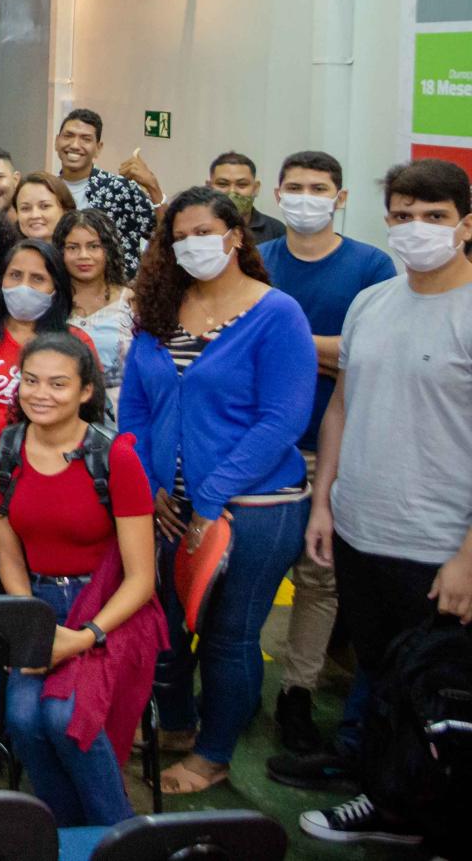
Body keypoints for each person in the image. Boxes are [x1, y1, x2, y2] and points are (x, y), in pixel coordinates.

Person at [288, 160, 472, 845]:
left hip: (440, 545)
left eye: (434, 216)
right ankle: (386, 802)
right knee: (385, 679)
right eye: (402, 215)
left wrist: (466, 555)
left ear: (465, 224)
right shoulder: (373, 302)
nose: (416, 228)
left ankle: (439, 822)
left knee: (441, 696)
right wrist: (326, 503)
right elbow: (341, 404)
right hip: (364, 527)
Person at [118, 186, 315, 796]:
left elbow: (283, 419)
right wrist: (148, 485)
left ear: (234, 235)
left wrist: (212, 494)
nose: (190, 245)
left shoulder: (276, 312)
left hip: (253, 509)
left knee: (230, 636)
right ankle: (175, 727)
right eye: (178, 236)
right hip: (169, 509)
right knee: (165, 628)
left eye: (203, 232)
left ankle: (214, 754)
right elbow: (136, 409)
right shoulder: (161, 306)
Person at [0, 335, 162, 828]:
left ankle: (117, 832)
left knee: (66, 718)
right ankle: (63, 832)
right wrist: (31, 626)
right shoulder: (1, 452)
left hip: (107, 605)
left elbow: (141, 578)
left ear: (86, 392)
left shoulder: (115, 459)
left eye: (58, 384)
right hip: (37, 601)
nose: (41, 394)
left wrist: (84, 637)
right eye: (31, 381)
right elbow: (8, 554)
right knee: (22, 718)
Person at [255, 151, 397, 757]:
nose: (305, 197)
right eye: (294, 187)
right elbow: (234, 344)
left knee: (320, 578)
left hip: (332, 447)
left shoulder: (372, 265)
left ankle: (298, 693)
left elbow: (364, 355)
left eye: (319, 188)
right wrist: (321, 348)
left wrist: (280, 337)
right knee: (250, 573)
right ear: (277, 194)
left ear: (339, 198)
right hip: (262, 449)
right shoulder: (258, 262)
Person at [0, 238, 90, 495]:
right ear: (1, 280)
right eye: (15, 275)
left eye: (37, 279)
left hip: (53, 475)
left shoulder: (76, 342)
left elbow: (86, 414)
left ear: (56, 286)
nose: (24, 287)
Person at [52, 109, 155, 277]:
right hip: (61, 289)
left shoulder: (120, 189)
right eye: (68, 136)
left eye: (85, 139)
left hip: (113, 292)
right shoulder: (47, 191)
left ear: (98, 148)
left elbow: (163, 232)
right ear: (57, 141)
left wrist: (153, 187)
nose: (75, 145)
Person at [57, 208, 135, 414]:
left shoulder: (131, 301)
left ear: (108, 250)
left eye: (93, 246)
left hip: (123, 416)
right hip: (61, 413)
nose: (84, 256)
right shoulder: (50, 302)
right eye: (73, 247)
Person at [209, 151, 285, 245]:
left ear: (256, 188)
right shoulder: (196, 228)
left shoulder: (276, 231)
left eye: (242, 184)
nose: (232, 191)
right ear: (209, 187)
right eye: (222, 184)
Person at [12, 171, 78, 243]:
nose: (35, 215)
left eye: (44, 206)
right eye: (25, 208)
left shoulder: (83, 252)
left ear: (65, 210)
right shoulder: (9, 253)